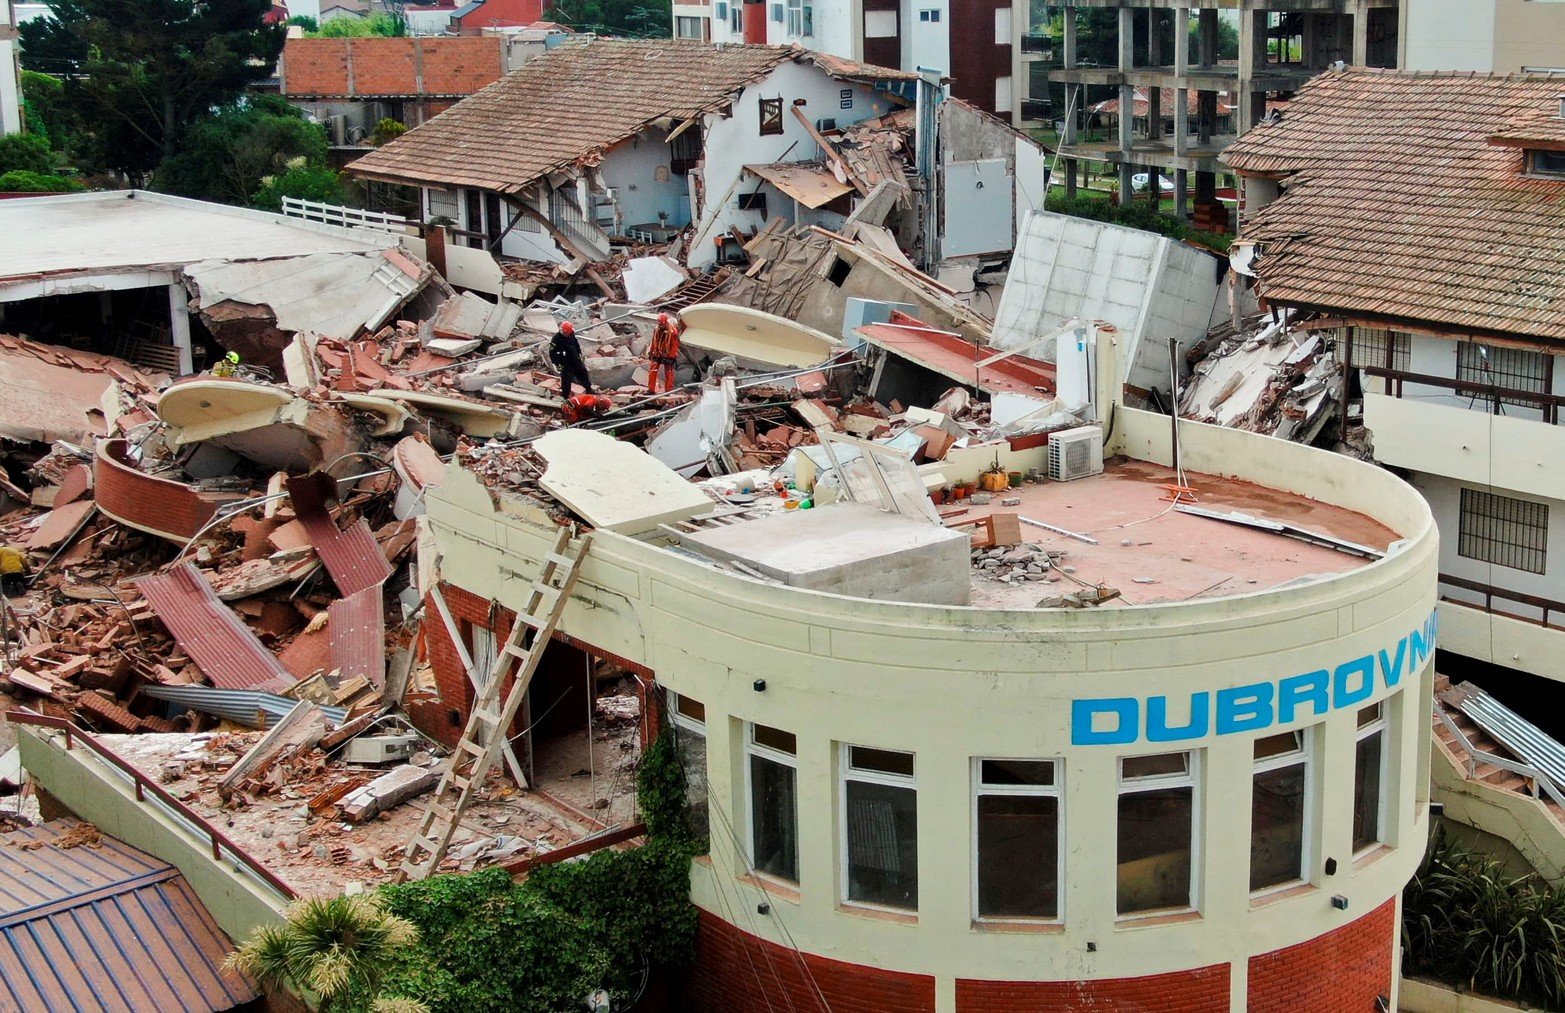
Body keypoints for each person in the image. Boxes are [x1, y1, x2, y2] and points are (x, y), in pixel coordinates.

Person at [549, 321, 593, 400]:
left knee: (583, 374)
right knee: (566, 380)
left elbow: (577, 346)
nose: (565, 334)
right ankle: (565, 396)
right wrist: (557, 364)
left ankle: (589, 389)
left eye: (566, 332)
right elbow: (552, 353)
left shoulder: (572, 335)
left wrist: (580, 356)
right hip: (565, 363)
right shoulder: (556, 339)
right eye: (564, 332)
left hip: (575, 360)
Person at [647, 312, 683, 394]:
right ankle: (651, 389)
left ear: (666, 322)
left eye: (662, 324)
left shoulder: (673, 332)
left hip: (667, 354)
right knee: (652, 370)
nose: (660, 326)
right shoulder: (656, 330)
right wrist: (651, 352)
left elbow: (674, 345)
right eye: (659, 324)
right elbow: (654, 341)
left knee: (668, 373)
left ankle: (668, 391)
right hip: (657, 353)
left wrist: (671, 357)